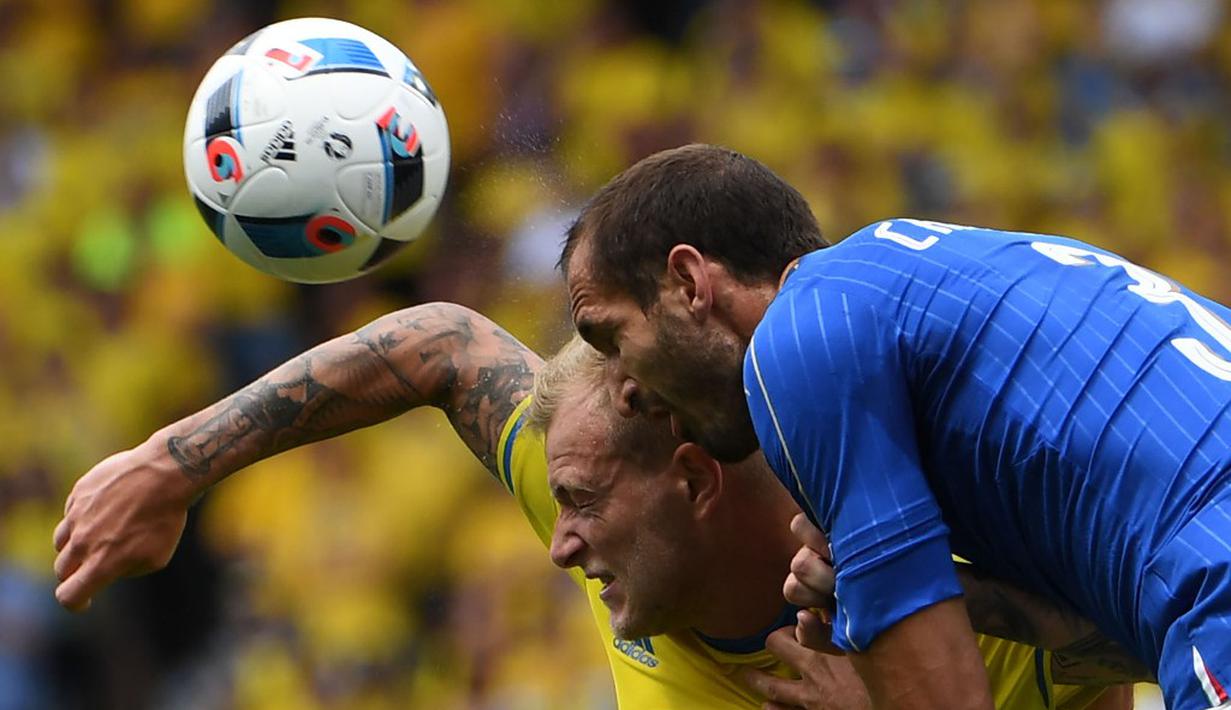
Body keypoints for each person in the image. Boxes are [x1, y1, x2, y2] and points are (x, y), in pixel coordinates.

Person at [54, 302, 1133, 708]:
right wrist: (170, 461)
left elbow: (1150, 642)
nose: (557, 538)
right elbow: (438, 345)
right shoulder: (594, 475)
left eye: (579, 502)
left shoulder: (951, 584)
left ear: (695, 481)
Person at [561, 142, 1231, 709]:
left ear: (687, 281)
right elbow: (1120, 643)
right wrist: (971, 603)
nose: (627, 390)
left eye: (612, 337)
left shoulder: (798, 343)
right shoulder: (916, 273)